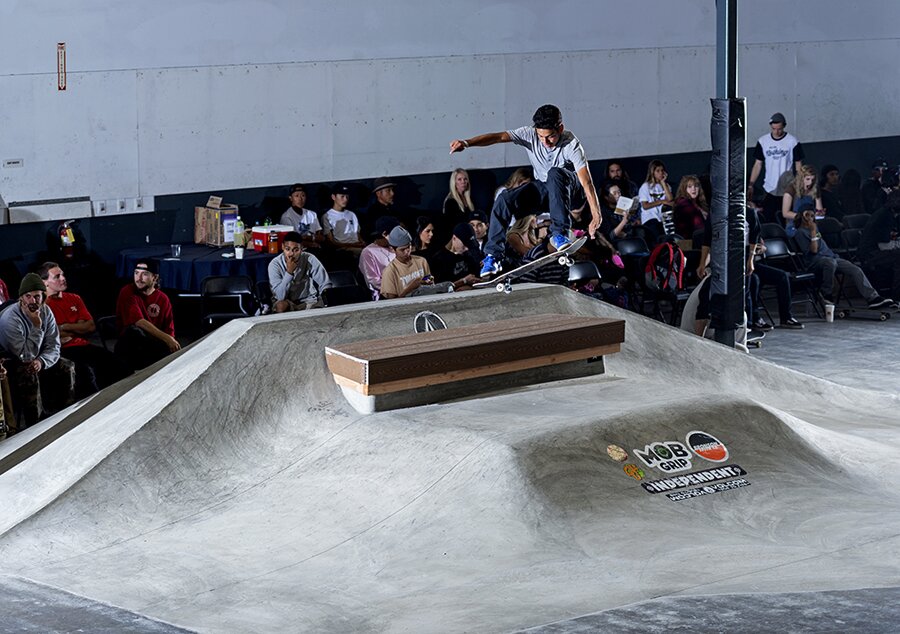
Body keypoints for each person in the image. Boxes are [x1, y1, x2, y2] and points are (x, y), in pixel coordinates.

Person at [449, 104, 602, 277]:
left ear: (560, 129)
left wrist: (596, 215)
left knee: (554, 173)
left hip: (572, 192)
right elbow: (498, 137)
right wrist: (467, 143)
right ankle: (493, 256)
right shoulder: (529, 134)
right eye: (541, 137)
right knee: (504, 198)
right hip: (546, 192)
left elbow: (587, 182)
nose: (545, 142)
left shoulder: (571, 143)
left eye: (550, 137)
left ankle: (559, 234)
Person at [39, 261, 129, 397]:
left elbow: (90, 326)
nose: (63, 278)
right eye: (57, 277)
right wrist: (77, 326)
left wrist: (64, 326)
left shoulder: (74, 298)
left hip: (82, 345)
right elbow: (50, 334)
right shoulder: (41, 305)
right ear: (44, 282)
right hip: (60, 350)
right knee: (87, 374)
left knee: (118, 364)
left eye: (63, 275)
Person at [0, 273, 76, 429]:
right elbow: (25, 356)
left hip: (38, 357)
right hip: (12, 361)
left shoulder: (46, 311)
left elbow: (54, 346)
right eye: (28, 296)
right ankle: (36, 425)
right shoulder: (10, 319)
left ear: (43, 297)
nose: (33, 301)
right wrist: (36, 326)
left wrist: (42, 361)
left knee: (67, 366)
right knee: (29, 371)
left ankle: (67, 414)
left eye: (37, 297)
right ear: (21, 298)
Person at [792, 209, 894, 309]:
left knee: (855, 269)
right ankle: (826, 292)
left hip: (831, 257)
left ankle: (872, 297)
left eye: (812, 215)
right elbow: (814, 251)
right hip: (815, 261)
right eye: (808, 216)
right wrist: (813, 232)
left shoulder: (815, 228)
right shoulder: (800, 233)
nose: (811, 218)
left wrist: (814, 231)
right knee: (830, 263)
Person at [115, 260, 179, 372]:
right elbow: (138, 321)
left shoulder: (163, 299)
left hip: (153, 347)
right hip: (130, 347)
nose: (138, 278)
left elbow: (169, 331)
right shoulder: (127, 291)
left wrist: (169, 339)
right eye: (136, 273)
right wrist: (167, 338)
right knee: (133, 331)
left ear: (155, 277)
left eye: (144, 274)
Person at [748, 112, 805, 223]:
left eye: (779, 129)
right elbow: (758, 164)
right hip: (770, 187)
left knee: (786, 218)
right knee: (768, 218)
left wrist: (799, 183)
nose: (776, 132)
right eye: (774, 129)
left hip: (787, 186)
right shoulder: (763, 141)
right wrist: (751, 184)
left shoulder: (792, 141)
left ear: (784, 126)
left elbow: (798, 164)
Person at [268, 231, 332, 312]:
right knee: (281, 305)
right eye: (287, 249)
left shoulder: (309, 258)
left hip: (308, 300)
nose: (291, 254)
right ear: (282, 247)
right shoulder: (275, 264)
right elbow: (280, 296)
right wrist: (289, 272)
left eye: (296, 250)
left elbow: (325, 284)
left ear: (302, 248)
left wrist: (325, 298)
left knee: (327, 301)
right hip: (287, 301)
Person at [858, 185, 900, 302]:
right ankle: (897, 295)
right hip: (870, 253)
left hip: (879, 249)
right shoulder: (884, 217)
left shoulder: (890, 214)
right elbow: (883, 244)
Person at [380, 226, 440, 299]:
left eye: (408, 247)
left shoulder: (421, 261)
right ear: (393, 249)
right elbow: (392, 302)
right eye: (402, 250)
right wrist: (413, 286)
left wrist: (429, 280)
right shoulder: (389, 272)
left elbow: (430, 280)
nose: (407, 252)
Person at [428, 223, 482, 291]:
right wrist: (463, 281)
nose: (467, 249)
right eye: (464, 245)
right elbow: (438, 288)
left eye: (469, 245)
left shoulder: (470, 255)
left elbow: (477, 277)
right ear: (454, 238)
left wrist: (471, 286)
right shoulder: (438, 260)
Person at [358, 216, 399, 300]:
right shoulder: (368, 252)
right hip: (384, 294)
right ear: (385, 234)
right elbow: (373, 281)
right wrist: (395, 288)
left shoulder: (397, 248)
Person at [322, 184, 366, 255]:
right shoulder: (327, 216)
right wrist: (353, 245)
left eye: (347, 197)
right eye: (342, 196)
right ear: (333, 197)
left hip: (358, 246)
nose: (345, 199)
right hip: (343, 249)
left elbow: (358, 235)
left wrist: (362, 243)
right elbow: (331, 242)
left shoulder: (352, 214)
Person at [279, 183, 324, 250]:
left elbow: (321, 238)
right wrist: (311, 243)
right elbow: (292, 241)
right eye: (296, 196)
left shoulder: (312, 214)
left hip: (315, 248)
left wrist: (308, 238)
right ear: (291, 198)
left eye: (303, 195)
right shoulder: (286, 217)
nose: (300, 199)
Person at [638, 160, 674, 243]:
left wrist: (663, 183)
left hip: (663, 219)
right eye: (658, 171)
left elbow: (670, 199)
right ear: (652, 172)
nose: (661, 173)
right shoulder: (646, 186)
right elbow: (645, 206)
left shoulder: (666, 186)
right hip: (650, 219)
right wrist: (661, 201)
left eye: (662, 170)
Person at [673, 175, 708, 239]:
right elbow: (699, 225)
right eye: (689, 187)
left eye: (696, 186)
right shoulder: (684, 203)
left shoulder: (698, 203)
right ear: (684, 189)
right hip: (689, 241)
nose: (693, 189)